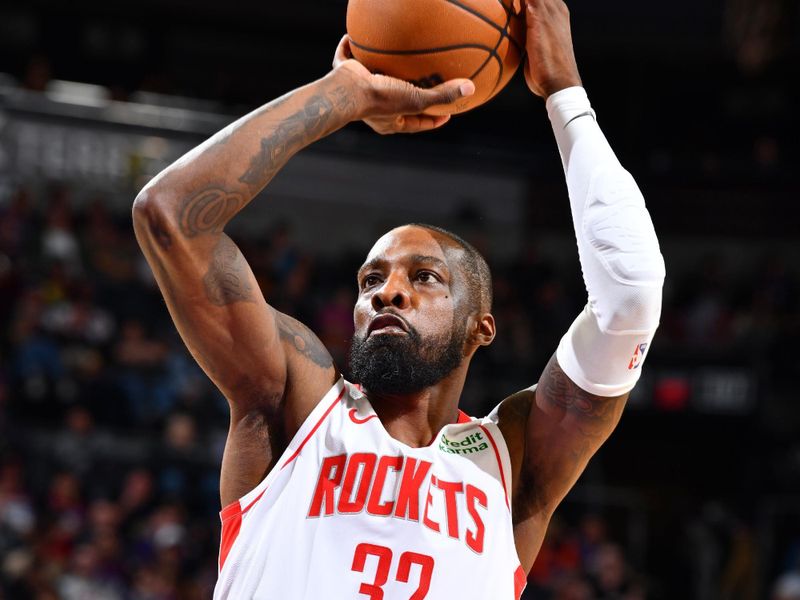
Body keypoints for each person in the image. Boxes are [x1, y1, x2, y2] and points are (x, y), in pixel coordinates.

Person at [131, 0, 665, 597]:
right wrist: (342, 95)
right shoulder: (297, 405)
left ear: (481, 328)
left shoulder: (513, 460)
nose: (388, 291)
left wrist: (566, 94)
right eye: (370, 280)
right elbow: (170, 215)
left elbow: (631, 297)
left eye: (425, 277)